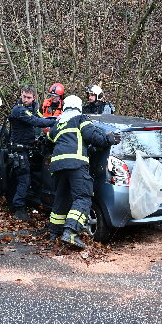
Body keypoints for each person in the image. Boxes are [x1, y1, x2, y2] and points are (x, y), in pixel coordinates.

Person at [47, 95, 119, 248]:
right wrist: (108, 140)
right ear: (79, 107)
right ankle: (71, 232)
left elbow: (48, 141)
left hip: (58, 166)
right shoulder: (80, 118)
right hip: (76, 164)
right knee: (83, 197)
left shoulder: (58, 125)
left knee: (61, 199)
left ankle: (54, 233)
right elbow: (90, 135)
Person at [8, 85, 57, 221]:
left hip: (27, 148)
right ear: (21, 95)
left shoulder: (32, 109)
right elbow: (36, 121)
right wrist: (55, 121)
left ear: (34, 97)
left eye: (28, 97)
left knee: (22, 178)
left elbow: (41, 118)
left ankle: (14, 203)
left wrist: (55, 119)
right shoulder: (19, 110)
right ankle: (19, 209)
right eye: (24, 96)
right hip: (19, 149)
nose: (25, 99)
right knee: (24, 179)